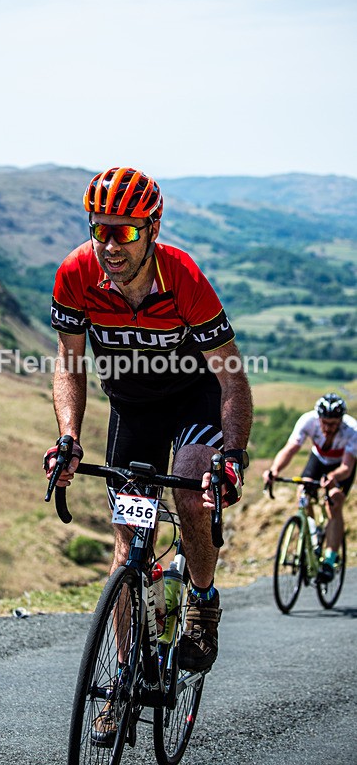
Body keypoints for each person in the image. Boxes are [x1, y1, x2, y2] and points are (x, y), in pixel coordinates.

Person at [44, 166, 252, 680]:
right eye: (101, 230)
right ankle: (123, 679)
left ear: (152, 229)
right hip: (134, 408)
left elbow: (232, 378)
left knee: (190, 493)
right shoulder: (75, 274)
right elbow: (69, 364)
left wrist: (233, 455)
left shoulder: (182, 277)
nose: (111, 246)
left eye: (126, 232)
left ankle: (202, 600)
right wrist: (68, 437)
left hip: (194, 398)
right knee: (128, 544)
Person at [264, 393, 356, 582]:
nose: (328, 428)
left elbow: (347, 468)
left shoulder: (352, 430)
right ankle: (314, 537)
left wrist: (332, 478)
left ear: (341, 421)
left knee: (334, 501)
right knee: (302, 492)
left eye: (333, 424)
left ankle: (330, 559)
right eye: (325, 423)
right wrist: (274, 469)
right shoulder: (308, 420)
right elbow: (290, 448)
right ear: (318, 418)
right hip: (319, 460)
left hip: (340, 467)